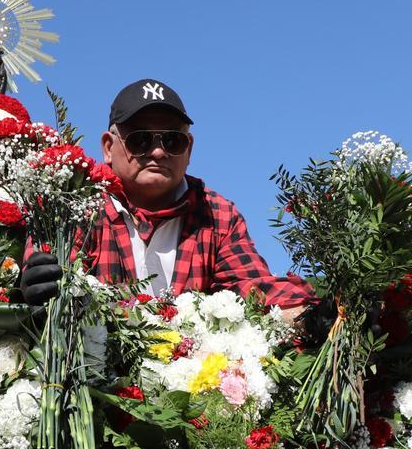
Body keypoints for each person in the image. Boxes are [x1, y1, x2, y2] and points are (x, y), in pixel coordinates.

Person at [21, 78, 314, 318]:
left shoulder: (218, 216)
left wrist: (311, 315)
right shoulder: (72, 208)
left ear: (189, 149)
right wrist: (35, 288)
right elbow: (52, 287)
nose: (158, 152)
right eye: (140, 139)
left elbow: (252, 291)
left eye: (172, 140)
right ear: (108, 148)